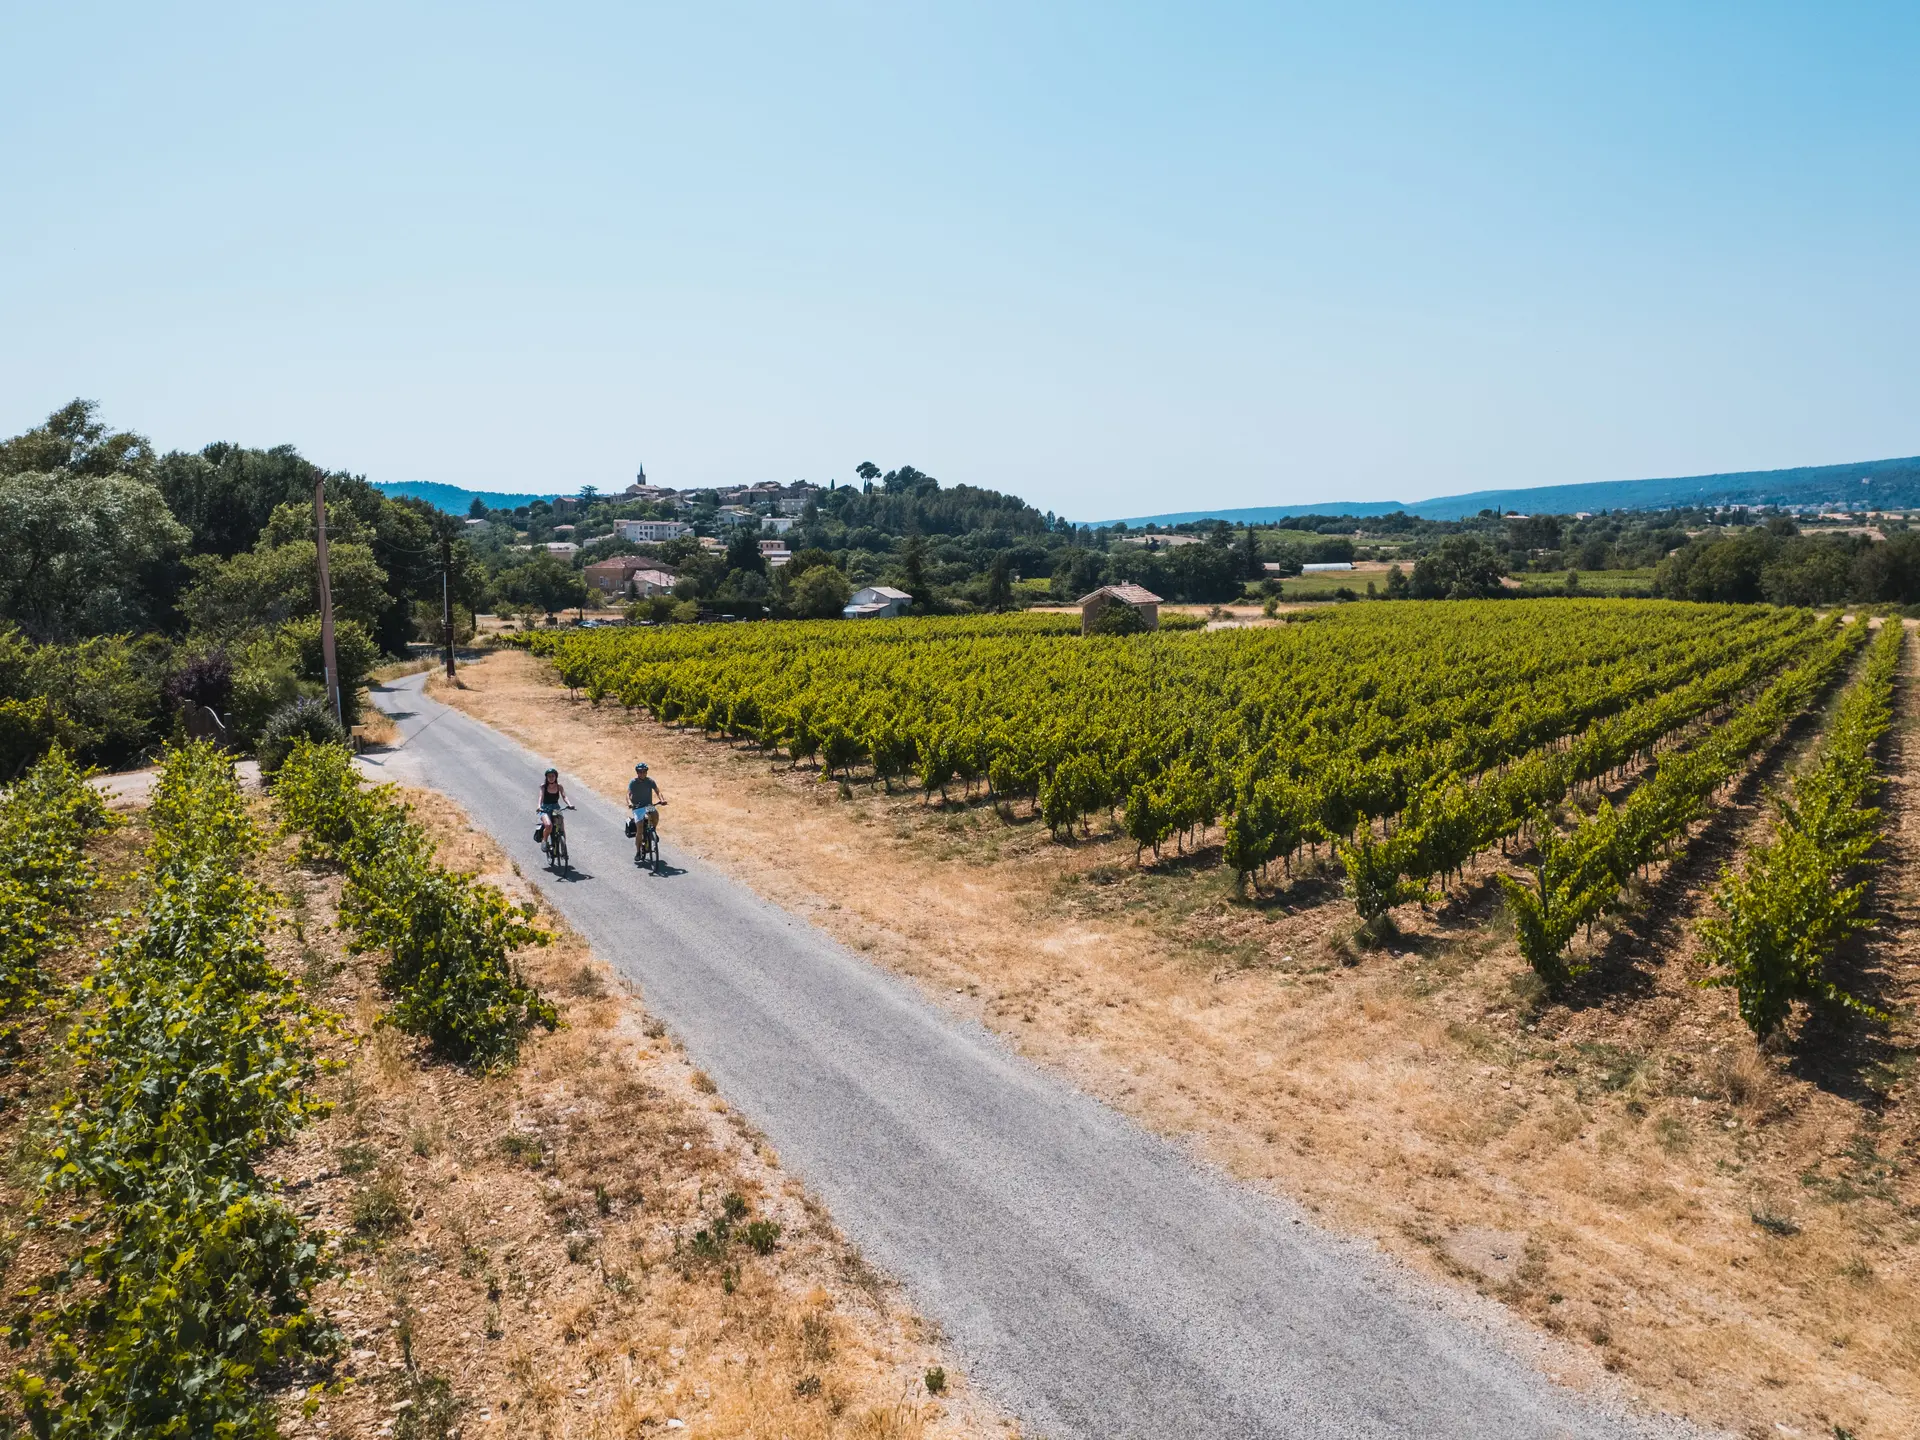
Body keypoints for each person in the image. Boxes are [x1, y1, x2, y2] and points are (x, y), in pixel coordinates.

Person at [628, 761, 665, 859]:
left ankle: (653, 831)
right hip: (638, 807)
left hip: (648, 805)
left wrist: (662, 800)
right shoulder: (633, 782)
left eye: (644, 771)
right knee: (639, 829)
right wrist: (630, 803)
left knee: (655, 815)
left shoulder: (650, 781)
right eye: (640, 772)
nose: (642, 773)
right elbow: (628, 795)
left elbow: (658, 791)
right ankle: (638, 852)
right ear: (637, 772)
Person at [535, 767, 572, 845]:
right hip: (545, 809)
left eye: (553, 776)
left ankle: (563, 846)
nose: (551, 778)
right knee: (548, 825)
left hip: (556, 808)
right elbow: (541, 797)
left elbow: (564, 796)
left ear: (556, 777)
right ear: (546, 777)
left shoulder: (559, 786)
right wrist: (539, 806)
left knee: (561, 826)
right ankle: (544, 841)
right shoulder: (543, 786)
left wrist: (569, 804)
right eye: (549, 776)